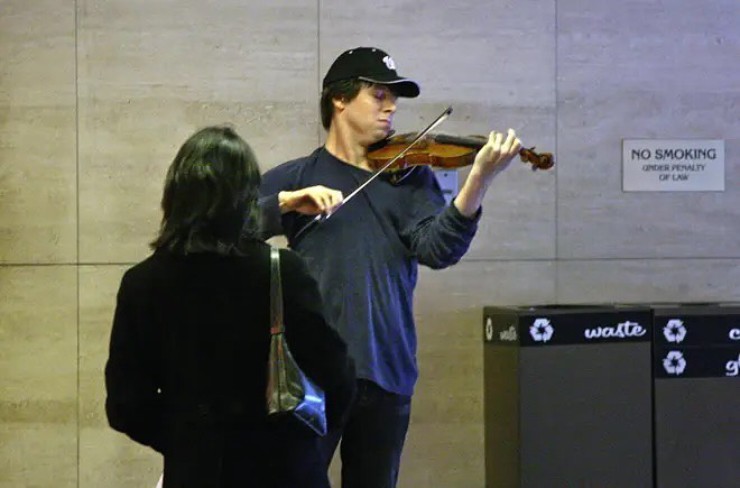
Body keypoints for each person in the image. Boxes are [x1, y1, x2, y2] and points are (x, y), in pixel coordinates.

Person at [258, 47, 522, 487]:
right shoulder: (297, 176)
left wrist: (479, 181)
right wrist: (286, 203)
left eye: (394, 98)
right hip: (310, 378)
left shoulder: (410, 178)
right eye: (378, 94)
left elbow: (439, 249)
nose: (391, 106)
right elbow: (230, 226)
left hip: (387, 371)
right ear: (339, 100)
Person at [104, 125, 356, 488]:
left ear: (174, 196)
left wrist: (187, 443)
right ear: (246, 198)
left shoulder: (141, 283)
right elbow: (338, 374)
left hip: (196, 473)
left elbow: (126, 405)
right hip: (285, 469)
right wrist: (302, 441)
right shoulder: (281, 270)